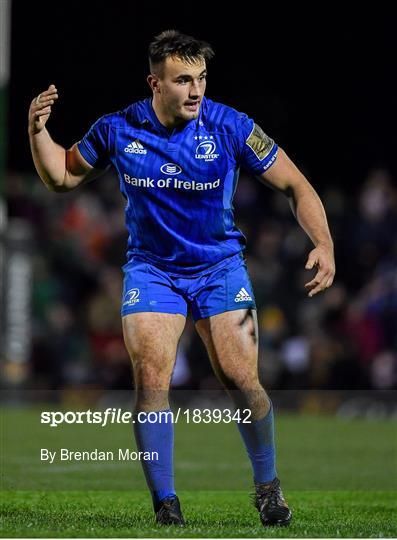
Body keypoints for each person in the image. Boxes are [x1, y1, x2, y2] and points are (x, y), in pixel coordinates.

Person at [28, 29, 335, 528]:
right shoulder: (118, 128)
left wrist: (323, 244)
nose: (197, 91)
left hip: (220, 269)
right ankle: (166, 506)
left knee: (241, 380)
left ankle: (267, 485)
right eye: (184, 80)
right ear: (155, 83)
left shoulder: (231, 126)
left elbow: (296, 185)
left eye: (202, 79)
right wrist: (38, 131)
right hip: (153, 272)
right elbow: (62, 176)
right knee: (151, 380)